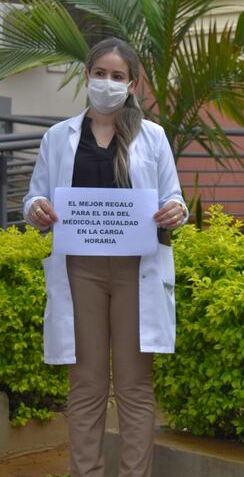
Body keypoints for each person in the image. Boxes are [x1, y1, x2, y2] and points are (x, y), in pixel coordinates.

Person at [23, 37, 187, 477]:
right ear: (86, 76)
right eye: (100, 73)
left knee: (134, 386)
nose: (107, 83)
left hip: (137, 271)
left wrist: (176, 210)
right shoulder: (59, 137)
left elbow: (174, 199)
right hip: (81, 272)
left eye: (117, 76)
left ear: (132, 85)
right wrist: (36, 209)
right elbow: (35, 196)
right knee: (86, 385)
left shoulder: (152, 136)